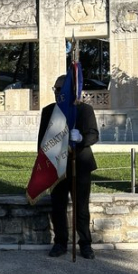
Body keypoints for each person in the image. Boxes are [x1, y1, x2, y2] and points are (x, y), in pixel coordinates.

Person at [43, 75, 99, 260]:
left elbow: (93, 134)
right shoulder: (48, 111)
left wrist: (81, 139)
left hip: (80, 165)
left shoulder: (84, 110)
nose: (58, 93)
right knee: (57, 207)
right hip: (57, 166)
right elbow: (41, 142)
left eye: (61, 90)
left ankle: (85, 243)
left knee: (81, 207)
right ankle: (60, 242)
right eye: (56, 89)